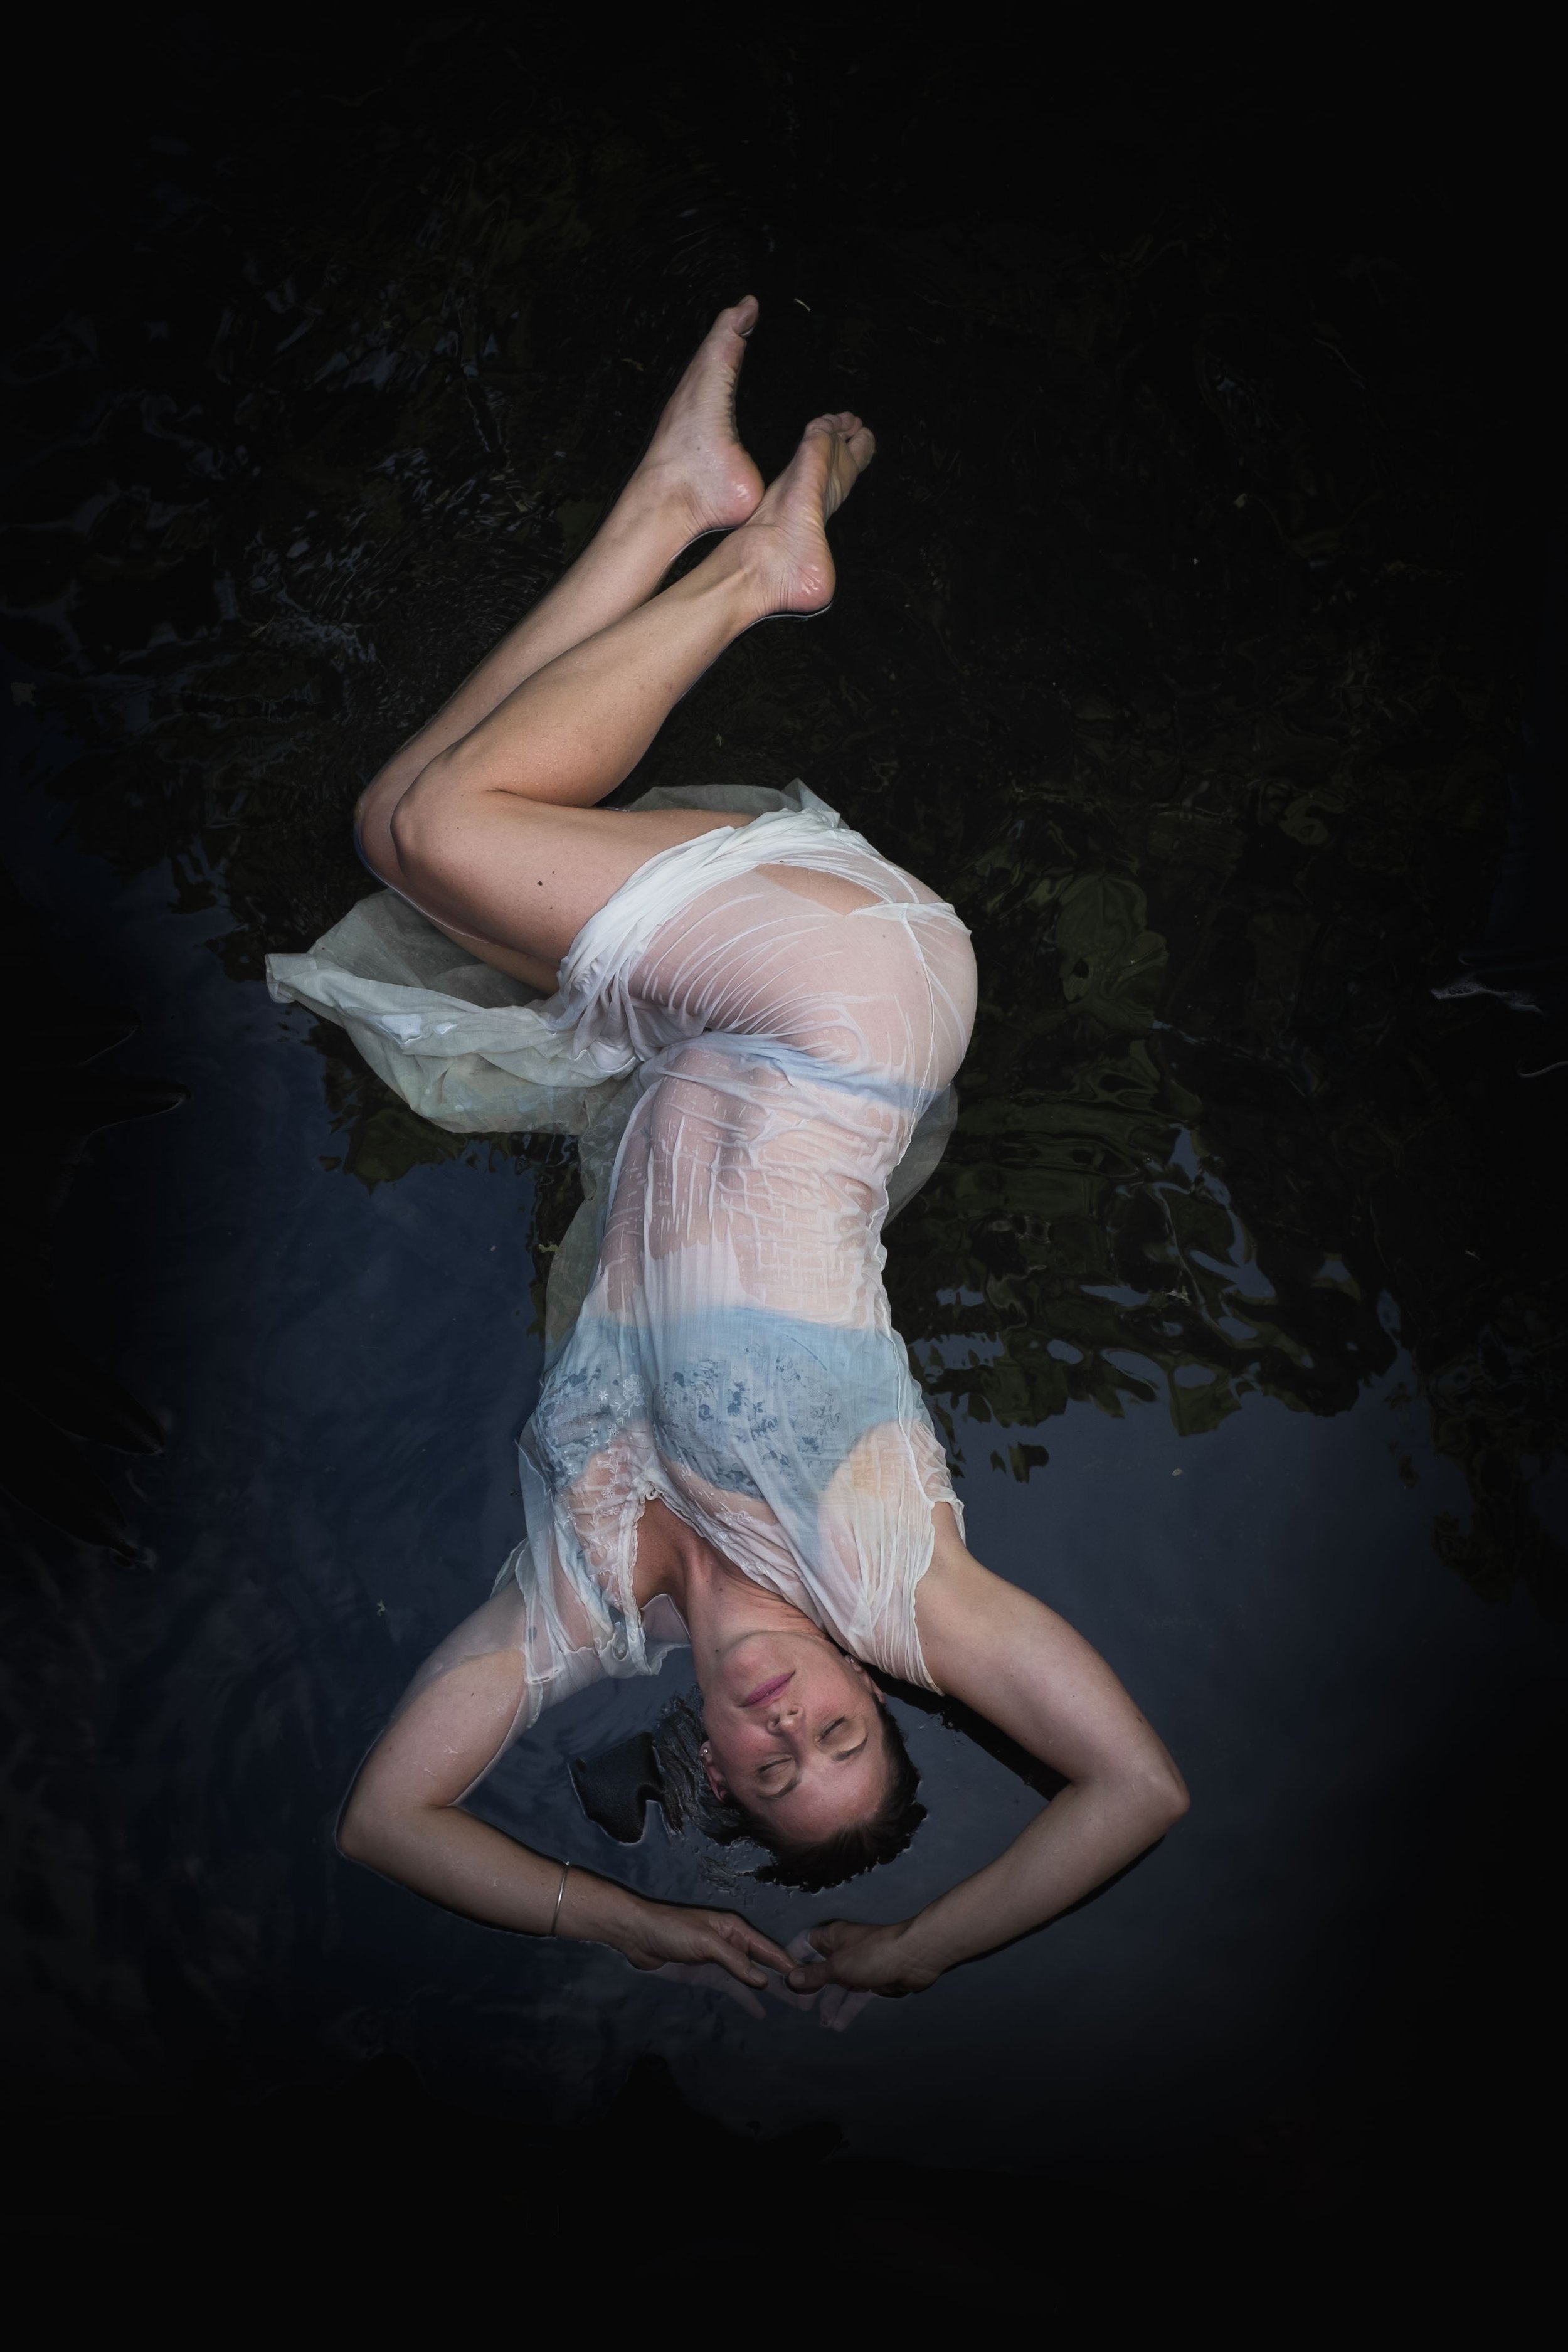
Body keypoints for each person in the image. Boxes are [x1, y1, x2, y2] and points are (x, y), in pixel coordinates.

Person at [332, 299, 1188, 2006]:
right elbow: (1134, 1788)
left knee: (400, 828)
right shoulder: (890, 1581)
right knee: (444, 835)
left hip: (731, 1009)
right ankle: (749, 572)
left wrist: (637, 1925)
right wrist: (912, 1957)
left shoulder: (573, 1604)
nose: (793, 1723)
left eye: (776, 1770)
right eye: (844, 1735)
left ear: (715, 1769)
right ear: (871, 1687)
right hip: (835, 1016)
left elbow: (386, 1819)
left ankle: (675, 502)